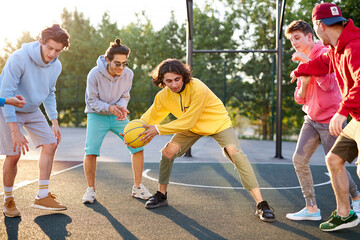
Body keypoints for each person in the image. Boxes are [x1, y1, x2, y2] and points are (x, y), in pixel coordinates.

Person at [138, 58, 275, 222]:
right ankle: (161, 194)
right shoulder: (163, 97)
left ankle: (261, 204)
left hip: (217, 124)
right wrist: (130, 133)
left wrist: (158, 130)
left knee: (235, 153)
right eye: (169, 81)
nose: (174, 84)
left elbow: (188, 120)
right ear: (162, 81)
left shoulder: (197, 87)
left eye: (177, 79)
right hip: (192, 128)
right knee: (168, 151)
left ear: (183, 76)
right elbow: (148, 119)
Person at [291, 3, 360, 231]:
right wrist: (300, 70)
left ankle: (356, 201)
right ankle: (345, 214)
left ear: (318, 26)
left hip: (342, 116)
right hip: (354, 119)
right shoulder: (336, 49)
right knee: (333, 161)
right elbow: (321, 65)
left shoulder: (353, 47)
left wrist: (342, 111)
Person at [0, 24, 70, 218]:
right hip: (9, 107)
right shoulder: (19, 58)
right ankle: (8, 199)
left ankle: (42, 196)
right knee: (13, 155)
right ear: (41, 42)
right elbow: (5, 94)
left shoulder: (56, 65)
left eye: (58, 51)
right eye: (50, 48)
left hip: (31, 109)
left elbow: (49, 93)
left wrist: (54, 121)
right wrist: (14, 130)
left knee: (51, 144)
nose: (53, 53)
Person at [82, 38, 152, 204]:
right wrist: (109, 108)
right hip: (96, 114)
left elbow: (124, 96)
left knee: (138, 145)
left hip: (117, 115)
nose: (121, 68)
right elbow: (92, 101)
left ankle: (137, 188)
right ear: (108, 60)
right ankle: (90, 190)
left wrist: (121, 108)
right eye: (117, 64)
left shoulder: (128, 74)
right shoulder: (94, 74)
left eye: (124, 63)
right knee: (91, 151)